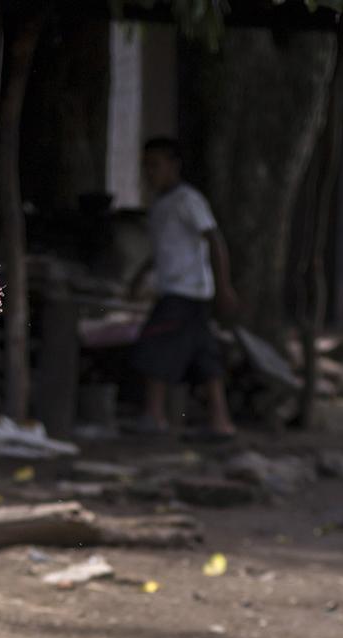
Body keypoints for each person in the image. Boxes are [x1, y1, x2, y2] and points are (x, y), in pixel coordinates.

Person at [128, 137, 238, 441]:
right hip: (179, 290)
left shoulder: (188, 200)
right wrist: (141, 275)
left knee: (154, 346)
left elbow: (215, 240)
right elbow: (164, 249)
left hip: (185, 291)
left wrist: (224, 287)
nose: (149, 172)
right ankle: (220, 420)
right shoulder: (160, 205)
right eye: (146, 166)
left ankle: (154, 415)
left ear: (174, 166)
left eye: (155, 165)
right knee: (204, 356)